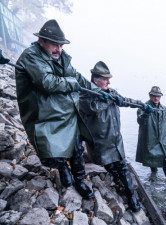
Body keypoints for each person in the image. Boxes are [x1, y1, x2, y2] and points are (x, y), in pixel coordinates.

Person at [15, 19, 94, 199]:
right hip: (44, 113)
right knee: (51, 156)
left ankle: (80, 181)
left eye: (61, 45)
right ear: (41, 41)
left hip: (67, 111)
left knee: (76, 149)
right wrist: (73, 84)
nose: (59, 49)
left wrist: (99, 91)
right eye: (54, 44)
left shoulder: (62, 57)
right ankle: (61, 167)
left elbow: (77, 77)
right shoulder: (30, 56)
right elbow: (47, 82)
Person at [79, 61, 153, 212]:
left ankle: (131, 198)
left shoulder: (111, 92)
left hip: (115, 140)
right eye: (105, 79)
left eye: (108, 79)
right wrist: (109, 99)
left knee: (123, 167)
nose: (108, 82)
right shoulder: (86, 94)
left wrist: (142, 105)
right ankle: (120, 183)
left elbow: (125, 101)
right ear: (95, 79)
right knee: (110, 165)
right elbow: (93, 108)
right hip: (100, 142)